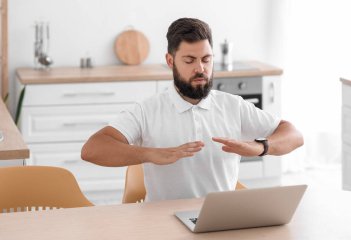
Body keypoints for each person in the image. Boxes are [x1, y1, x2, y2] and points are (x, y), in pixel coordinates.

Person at [81, 18, 303, 201]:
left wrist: (261, 147)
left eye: (207, 59)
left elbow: (293, 135)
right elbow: (92, 149)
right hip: (161, 221)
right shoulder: (147, 110)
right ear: (170, 61)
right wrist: (150, 154)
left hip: (220, 219)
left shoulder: (232, 105)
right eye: (189, 60)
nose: (200, 68)